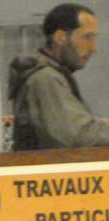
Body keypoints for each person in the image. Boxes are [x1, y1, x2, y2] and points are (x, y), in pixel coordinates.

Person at [9, 3, 109, 150]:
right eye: (87, 37)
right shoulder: (45, 78)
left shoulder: (48, 75)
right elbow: (76, 135)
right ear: (60, 38)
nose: (93, 48)